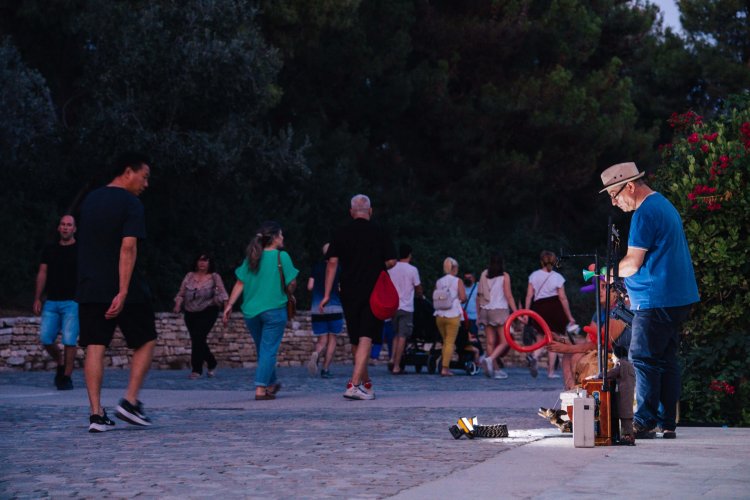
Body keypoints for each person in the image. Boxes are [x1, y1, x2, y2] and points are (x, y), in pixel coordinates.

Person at [600, 161, 699, 439]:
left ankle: (643, 420)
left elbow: (632, 263)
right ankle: (667, 423)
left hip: (656, 299)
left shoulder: (644, 213)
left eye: (614, 194)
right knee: (665, 359)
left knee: (642, 357)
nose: (614, 202)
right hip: (677, 297)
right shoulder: (663, 205)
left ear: (630, 186)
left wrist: (610, 272)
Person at [77, 152, 156, 432]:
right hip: (125, 286)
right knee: (146, 339)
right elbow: (128, 246)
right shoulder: (131, 203)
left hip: (89, 284)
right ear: (128, 172)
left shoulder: (90, 200)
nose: (145, 184)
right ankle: (130, 402)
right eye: (144, 177)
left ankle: (96, 414)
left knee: (95, 346)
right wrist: (122, 291)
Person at [320, 194, 397, 400]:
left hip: (348, 289)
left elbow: (332, 263)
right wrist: (377, 263)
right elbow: (391, 261)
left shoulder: (340, 232)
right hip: (373, 290)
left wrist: (327, 294)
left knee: (356, 337)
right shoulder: (380, 231)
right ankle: (353, 385)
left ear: (351, 212)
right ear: (370, 211)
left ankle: (365, 383)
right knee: (367, 335)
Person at [547, 277, 636, 443]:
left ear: (616, 292)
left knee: (583, 358)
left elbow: (603, 342)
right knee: (570, 357)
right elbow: (590, 341)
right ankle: (572, 409)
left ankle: (589, 413)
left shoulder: (622, 311)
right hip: (604, 354)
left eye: (604, 287)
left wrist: (568, 348)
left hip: (621, 360)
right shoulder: (599, 312)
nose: (599, 291)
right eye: (599, 287)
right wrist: (562, 342)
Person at [223, 221, 299, 400]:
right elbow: (292, 283)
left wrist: (229, 305)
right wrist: (290, 290)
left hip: (251, 311)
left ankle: (271, 384)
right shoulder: (283, 257)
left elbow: (240, 282)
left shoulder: (252, 257)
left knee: (263, 349)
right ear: (273, 238)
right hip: (274, 309)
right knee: (268, 350)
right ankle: (260, 388)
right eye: (280, 235)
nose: (283, 238)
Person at [33, 214, 79, 390]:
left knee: (69, 340)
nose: (66, 227)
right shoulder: (50, 250)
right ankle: (59, 361)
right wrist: (37, 297)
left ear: (74, 229)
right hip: (51, 301)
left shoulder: (80, 250)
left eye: (69, 225)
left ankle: (66, 376)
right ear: (59, 228)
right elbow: (42, 273)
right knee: (45, 338)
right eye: (63, 224)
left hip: (72, 302)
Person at [173, 253, 228, 379]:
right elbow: (181, 293)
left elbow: (224, 294)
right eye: (200, 260)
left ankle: (196, 370)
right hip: (190, 311)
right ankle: (212, 362)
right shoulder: (189, 276)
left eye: (205, 261)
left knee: (198, 337)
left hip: (209, 310)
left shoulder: (214, 277)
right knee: (197, 339)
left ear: (210, 263)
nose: (202, 263)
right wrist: (177, 305)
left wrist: (226, 311)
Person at [524, 250, 576, 379]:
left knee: (541, 338)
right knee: (553, 339)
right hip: (554, 309)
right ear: (554, 262)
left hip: (539, 309)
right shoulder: (557, 277)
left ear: (541, 261)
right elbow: (563, 298)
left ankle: (534, 356)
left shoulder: (534, 276)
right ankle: (550, 372)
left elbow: (529, 295)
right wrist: (569, 316)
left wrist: (526, 313)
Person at [477, 253, 522, 380]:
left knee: (490, 342)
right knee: (505, 340)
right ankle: (490, 359)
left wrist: (479, 313)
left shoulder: (484, 275)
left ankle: (496, 370)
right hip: (499, 310)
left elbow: (479, 295)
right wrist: (517, 313)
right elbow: (508, 296)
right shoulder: (505, 276)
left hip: (486, 310)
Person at [307, 243, 343, 378]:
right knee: (332, 339)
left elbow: (310, 286)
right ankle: (326, 369)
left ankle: (316, 353)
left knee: (322, 339)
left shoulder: (316, 268)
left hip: (317, 309)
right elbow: (341, 288)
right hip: (334, 307)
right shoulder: (339, 268)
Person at [387, 244, 422, 375]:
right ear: (409, 255)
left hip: (393, 306)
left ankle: (391, 358)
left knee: (396, 334)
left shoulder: (392, 269)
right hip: (406, 306)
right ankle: (396, 365)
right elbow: (418, 287)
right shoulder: (412, 270)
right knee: (403, 336)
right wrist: (420, 295)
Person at [433, 257, 467, 377]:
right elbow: (463, 297)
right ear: (454, 268)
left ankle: (443, 362)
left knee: (445, 342)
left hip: (439, 315)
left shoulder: (439, 281)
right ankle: (445, 368)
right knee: (449, 342)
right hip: (453, 314)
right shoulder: (457, 281)